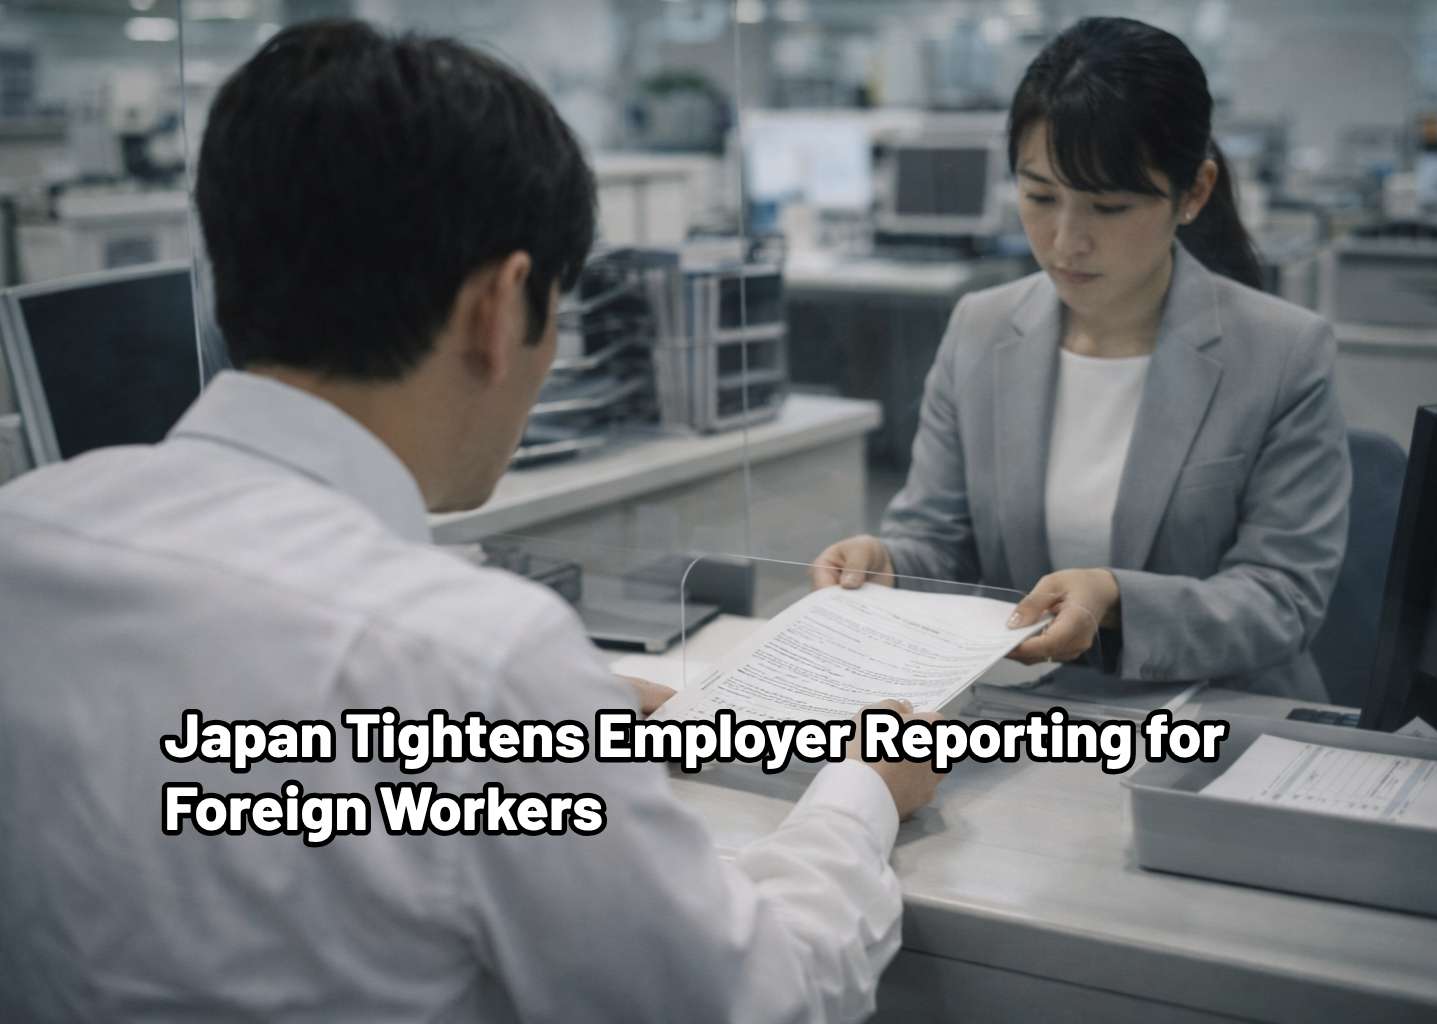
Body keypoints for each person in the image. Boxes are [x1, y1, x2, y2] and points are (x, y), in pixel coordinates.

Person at [0, 20, 941, 1022]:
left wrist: (562, 716)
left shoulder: (29, 534)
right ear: (499, 308)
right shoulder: (474, 662)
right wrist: (862, 789)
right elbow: (751, 1002)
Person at [813, 17, 1349, 701]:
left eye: (1109, 206)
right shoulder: (981, 329)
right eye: (1040, 196)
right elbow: (939, 541)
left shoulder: (1282, 353)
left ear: (1193, 192)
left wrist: (1118, 600)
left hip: (1213, 714)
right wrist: (887, 563)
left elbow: (1283, 597)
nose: (1066, 240)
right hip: (1027, 711)